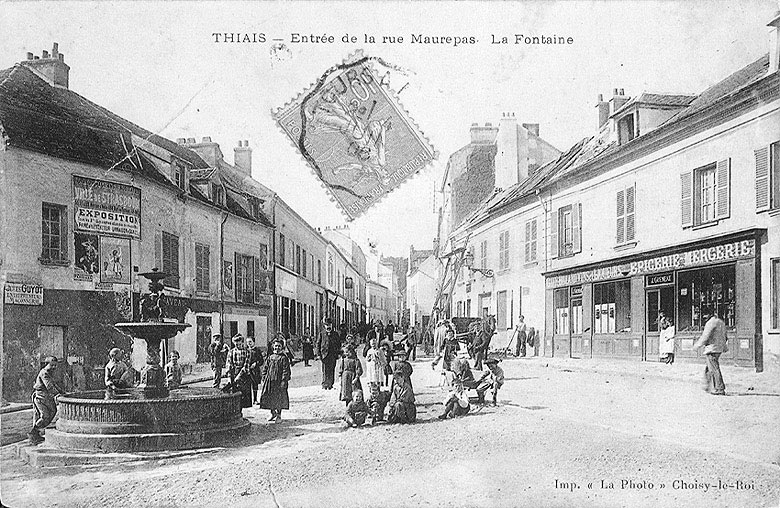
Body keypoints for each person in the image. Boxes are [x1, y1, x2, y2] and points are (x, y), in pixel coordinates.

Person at [29, 356, 64, 445]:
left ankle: (36, 432)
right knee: (45, 416)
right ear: (46, 364)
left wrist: (62, 392)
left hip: (46, 396)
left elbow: (54, 384)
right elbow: (49, 386)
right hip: (41, 397)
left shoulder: (49, 373)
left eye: (55, 365)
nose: (54, 367)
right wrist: (57, 394)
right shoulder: (44, 373)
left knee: (53, 411)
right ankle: (33, 433)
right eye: (52, 365)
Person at [693, 313, 728, 395]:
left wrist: (696, 346)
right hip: (719, 348)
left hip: (712, 348)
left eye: (704, 316)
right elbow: (726, 336)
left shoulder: (710, 323)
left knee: (714, 368)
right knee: (709, 367)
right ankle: (707, 385)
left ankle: (719, 388)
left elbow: (705, 337)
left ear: (709, 315)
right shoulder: (721, 322)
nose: (703, 317)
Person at [258, 337, 292, 422]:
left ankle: (279, 415)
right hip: (269, 381)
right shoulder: (270, 357)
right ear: (273, 347)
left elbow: (286, 371)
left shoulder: (283, 358)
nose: (277, 348)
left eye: (279, 346)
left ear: (282, 347)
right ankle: (272, 413)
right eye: (275, 346)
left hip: (279, 382)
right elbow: (265, 368)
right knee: (270, 397)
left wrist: (283, 381)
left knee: (279, 398)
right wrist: (264, 377)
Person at [387, 350, 416, 424]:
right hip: (400, 379)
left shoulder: (407, 365)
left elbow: (410, 371)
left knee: (400, 404)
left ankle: (404, 417)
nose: (401, 358)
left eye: (403, 356)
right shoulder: (396, 364)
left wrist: (405, 376)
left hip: (407, 404)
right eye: (400, 356)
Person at [226, 334, 252, 408]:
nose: (237, 344)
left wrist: (239, 376)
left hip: (244, 375)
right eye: (235, 342)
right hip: (234, 373)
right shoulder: (231, 352)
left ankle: (241, 414)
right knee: (235, 395)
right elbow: (229, 365)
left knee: (244, 396)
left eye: (239, 342)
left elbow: (246, 366)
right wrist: (229, 377)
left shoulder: (247, 351)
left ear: (242, 342)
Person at [317, 318, 342, 390]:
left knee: (332, 369)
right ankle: (325, 384)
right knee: (325, 369)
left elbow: (338, 344)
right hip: (324, 354)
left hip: (333, 355)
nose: (328, 326)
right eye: (326, 325)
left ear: (332, 325)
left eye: (329, 325)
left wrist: (339, 353)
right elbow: (318, 344)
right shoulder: (322, 334)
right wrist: (318, 354)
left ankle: (330, 384)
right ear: (324, 326)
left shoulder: (335, 334)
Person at [247, 337, 265, 403]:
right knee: (248, 385)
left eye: (250, 342)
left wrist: (256, 363)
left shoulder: (257, 350)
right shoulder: (246, 350)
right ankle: (248, 400)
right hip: (248, 370)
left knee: (255, 385)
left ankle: (255, 399)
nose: (249, 343)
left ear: (253, 342)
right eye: (247, 342)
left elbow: (261, 360)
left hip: (255, 371)